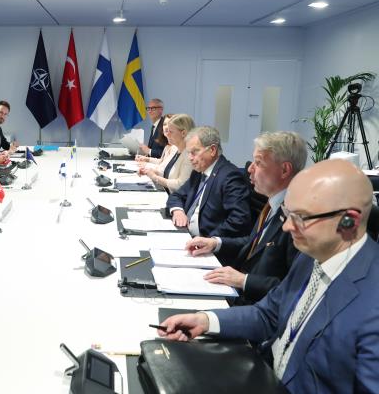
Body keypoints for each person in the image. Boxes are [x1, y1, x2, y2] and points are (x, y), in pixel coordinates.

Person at [157, 159, 379, 393]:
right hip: (261, 374)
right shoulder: (311, 256)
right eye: (287, 214)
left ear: (349, 222)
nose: (286, 227)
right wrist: (205, 320)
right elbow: (269, 314)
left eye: (301, 218)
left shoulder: (372, 303)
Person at [186, 131, 307, 305]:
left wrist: (244, 280)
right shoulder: (273, 203)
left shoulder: (297, 218)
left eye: (258, 163)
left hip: (258, 306)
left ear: (284, 170)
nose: (249, 169)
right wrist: (215, 243)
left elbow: (294, 289)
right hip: (239, 291)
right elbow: (254, 244)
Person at [166, 126, 251, 242]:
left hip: (205, 242)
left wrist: (209, 240)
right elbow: (177, 195)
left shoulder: (230, 177)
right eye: (188, 153)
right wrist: (178, 211)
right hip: (185, 233)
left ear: (212, 150)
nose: (190, 158)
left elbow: (238, 220)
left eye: (194, 152)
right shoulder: (199, 171)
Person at [138, 114, 194, 193]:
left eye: (171, 131)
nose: (167, 134)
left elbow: (180, 185)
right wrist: (148, 171)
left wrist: (154, 177)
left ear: (183, 133)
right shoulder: (174, 148)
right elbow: (164, 171)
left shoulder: (190, 157)